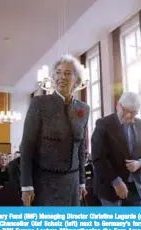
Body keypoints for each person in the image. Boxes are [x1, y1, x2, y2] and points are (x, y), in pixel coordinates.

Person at [20, 54, 90, 206]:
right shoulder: (39, 104)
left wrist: (82, 182)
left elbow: (81, 149)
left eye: (67, 73)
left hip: (72, 184)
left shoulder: (84, 109)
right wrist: (26, 185)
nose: (61, 77)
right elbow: (26, 146)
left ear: (77, 80)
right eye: (58, 72)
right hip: (45, 183)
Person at [92, 92, 141, 206]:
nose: (129, 116)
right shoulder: (103, 124)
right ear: (118, 105)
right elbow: (98, 158)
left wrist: (140, 163)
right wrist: (116, 181)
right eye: (126, 111)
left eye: (133, 113)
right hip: (111, 189)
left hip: (137, 188)